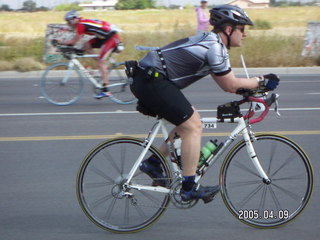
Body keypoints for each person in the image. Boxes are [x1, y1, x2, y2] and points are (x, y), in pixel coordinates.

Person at [129, 4, 280, 203]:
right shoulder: (214, 47)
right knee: (193, 126)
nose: (245, 34)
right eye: (242, 29)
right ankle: (188, 188)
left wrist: (255, 88)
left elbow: (228, 85)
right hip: (152, 79)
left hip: (150, 79)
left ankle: (154, 163)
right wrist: (261, 81)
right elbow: (230, 85)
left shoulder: (213, 43)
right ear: (229, 29)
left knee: (189, 121)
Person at [57, 10, 121, 99]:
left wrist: (62, 42)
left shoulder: (80, 25)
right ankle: (101, 65)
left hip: (111, 38)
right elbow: (76, 40)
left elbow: (75, 40)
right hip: (104, 37)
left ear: (73, 20)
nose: (68, 24)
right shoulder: (81, 23)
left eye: (68, 22)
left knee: (101, 63)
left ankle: (106, 90)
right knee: (86, 45)